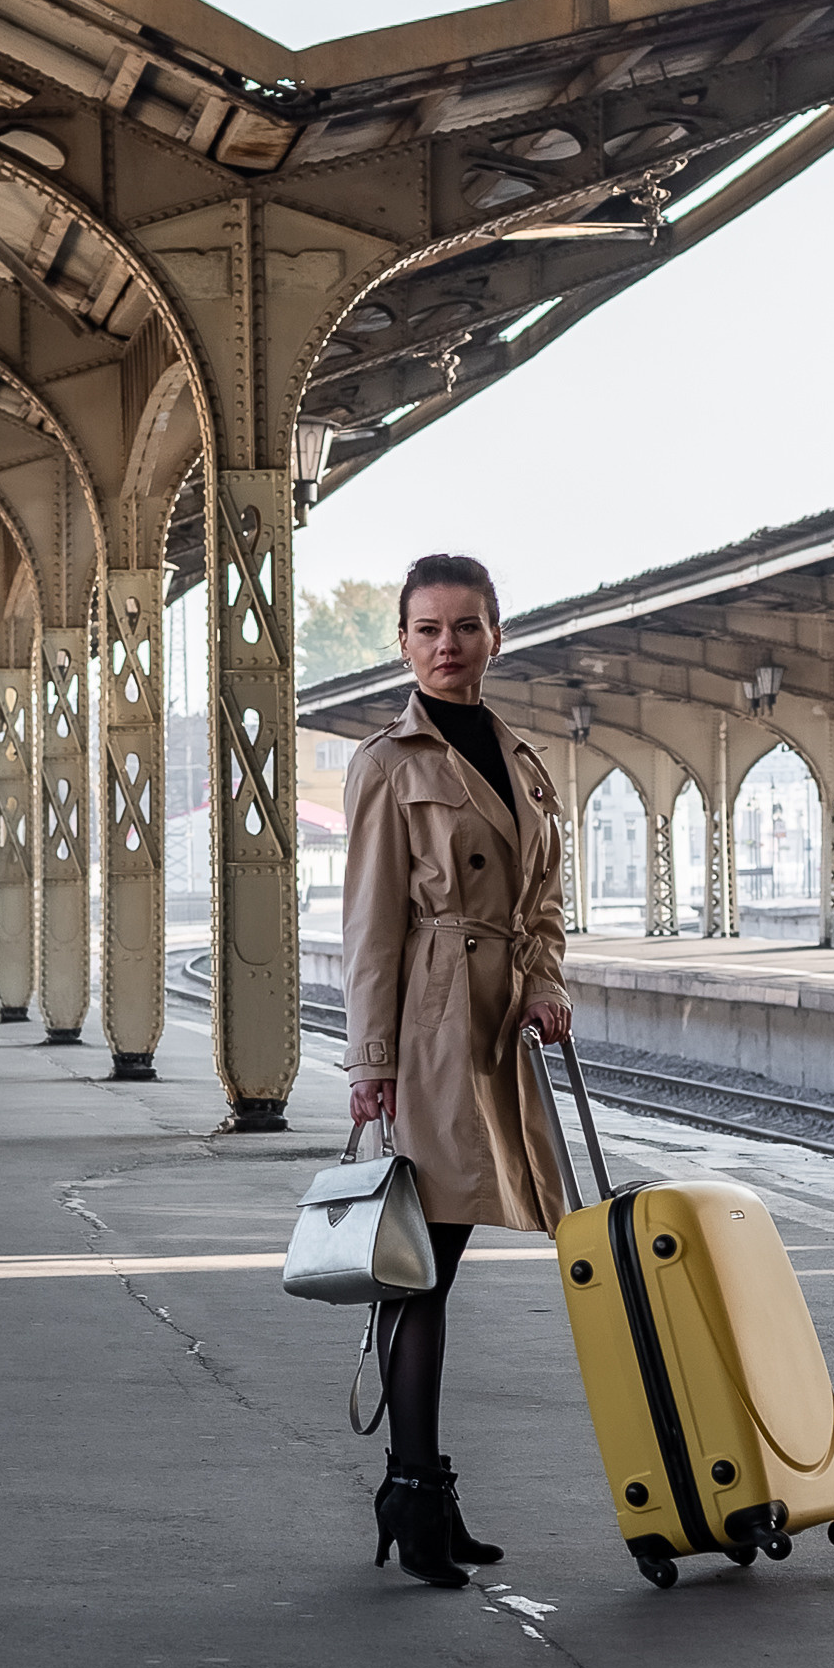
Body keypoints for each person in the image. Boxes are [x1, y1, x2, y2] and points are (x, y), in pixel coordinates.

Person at [340, 553, 572, 1591]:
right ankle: (415, 1493)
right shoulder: (387, 762)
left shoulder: (521, 758)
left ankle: (419, 1489)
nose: (447, 645)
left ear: (496, 635)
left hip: (500, 1030)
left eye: (466, 626)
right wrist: (371, 1061)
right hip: (434, 1026)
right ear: (401, 642)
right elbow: (370, 925)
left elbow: (546, 901)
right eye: (428, 628)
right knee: (422, 1268)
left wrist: (547, 980)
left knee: (437, 1262)